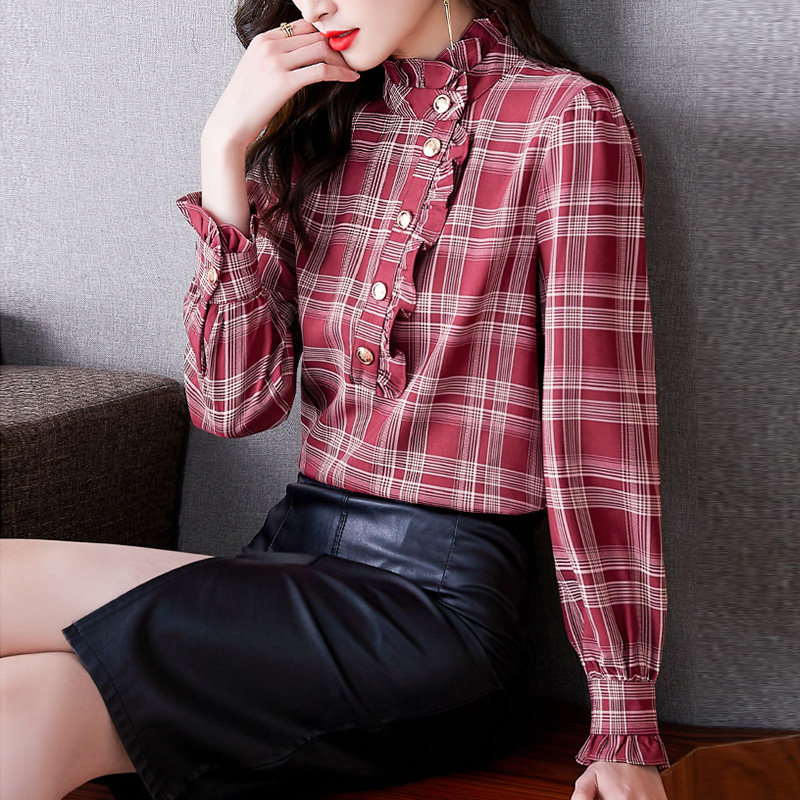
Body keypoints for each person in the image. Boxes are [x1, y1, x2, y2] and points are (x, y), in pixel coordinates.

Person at [0, 2, 670, 799]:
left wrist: (625, 724)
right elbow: (233, 406)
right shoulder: (324, 127)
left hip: (437, 613)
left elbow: (598, 436)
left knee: (30, 678)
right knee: (21, 648)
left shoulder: (565, 120)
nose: (315, 2)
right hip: (293, 556)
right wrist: (225, 147)